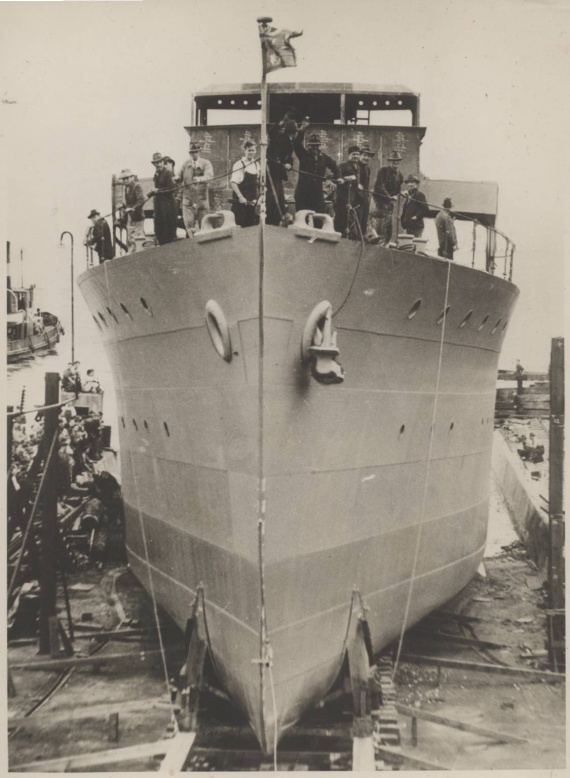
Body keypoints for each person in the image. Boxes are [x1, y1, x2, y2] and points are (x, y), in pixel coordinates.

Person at [294, 127, 341, 214]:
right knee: (302, 217)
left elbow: (335, 167)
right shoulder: (303, 155)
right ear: (309, 146)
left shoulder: (324, 158)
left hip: (317, 194)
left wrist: (337, 178)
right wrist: (302, 130)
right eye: (312, 145)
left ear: (319, 145)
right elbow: (296, 144)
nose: (314, 148)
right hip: (303, 193)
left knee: (319, 216)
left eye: (316, 145)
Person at [266, 114, 297, 225]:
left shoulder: (290, 143)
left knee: (279, 197)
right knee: (272, 198)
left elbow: (289, 158)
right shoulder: (279, 137)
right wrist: (282, 120)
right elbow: (272, 132)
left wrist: (289, 164)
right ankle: (270, 222)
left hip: (278, 173)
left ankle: (278, 221)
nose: (294, 134)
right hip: (270, 171)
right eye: (293, 132)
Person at [179, 142, 214, 235]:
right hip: (188, 202)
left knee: (204, 226)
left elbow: (209, 176)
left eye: (196, 152)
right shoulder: (185, 164)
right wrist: (176, 178)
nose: (194, 154)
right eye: (191, 152)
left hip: (201, 201)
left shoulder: (206, 163)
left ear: (199, 152)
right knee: (189, 226)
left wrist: (200, 179)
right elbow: (179, 176)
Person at [371, 149, 403, 245]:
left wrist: (402, 193)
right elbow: (380, 186)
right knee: (376, 230)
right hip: (378, 204)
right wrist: (389, 197)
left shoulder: (399, 175)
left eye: (397, 161)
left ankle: (383, 248)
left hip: (388, 206)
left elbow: (397, 190)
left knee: (388, 230)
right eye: (393, 161)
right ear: (390, 162)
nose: (395, 163)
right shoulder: (383, 171)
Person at [148, 152, 178, 245]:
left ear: (162, 162)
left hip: (168, 205)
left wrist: (158, 190)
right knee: (159, 227)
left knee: (168, 228)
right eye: (156, 163)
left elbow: (172, 188)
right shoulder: (156, 174)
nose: (158, 164)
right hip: (159, 204)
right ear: (154, 164)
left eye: (159, 162)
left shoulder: (167, 173)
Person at [230, 140, 261, 227]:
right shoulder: (239, 164)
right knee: (240, 229)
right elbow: (233, 183)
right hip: (240, 205)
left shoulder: (257, 165)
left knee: (251, 229)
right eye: (249, 150)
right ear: (245, 151)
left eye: (253, 150)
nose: (251, 152)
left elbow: (259, 183)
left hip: (252, 205)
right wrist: (240, 197)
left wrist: (259, 198)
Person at [335, 146, 361, 238]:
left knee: (350, 220)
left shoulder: (357, 166)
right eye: (353, 154)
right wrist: (346, 178)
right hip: (343, 197)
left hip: (353, 197)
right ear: (349, 155)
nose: (356, 156)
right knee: (342, 219)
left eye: (358, 154)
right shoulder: (343, 165)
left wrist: (358, 184)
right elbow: (335, 176)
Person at [118, 169, 146, 253]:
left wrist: (132, 208)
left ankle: (136, 255)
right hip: (130, 216)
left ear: (131, 177)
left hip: (137, 216)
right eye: (123, 179)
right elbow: (130, 203)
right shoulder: (126, 187)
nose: (125, 180)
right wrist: (123, 206)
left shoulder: (137, 186)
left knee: (137, 239)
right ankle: (132, 255)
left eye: (127, 178)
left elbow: (141, 200)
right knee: (130, 238)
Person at [357, 146, 374, 236]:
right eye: (364, 155)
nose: (366, 158)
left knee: (364, 218)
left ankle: (362, 237)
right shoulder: (355, 166)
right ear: (359, 155)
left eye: (368, 156)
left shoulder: (367, 169)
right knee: (357, 219)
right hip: (355, 197)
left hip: (364, 197)